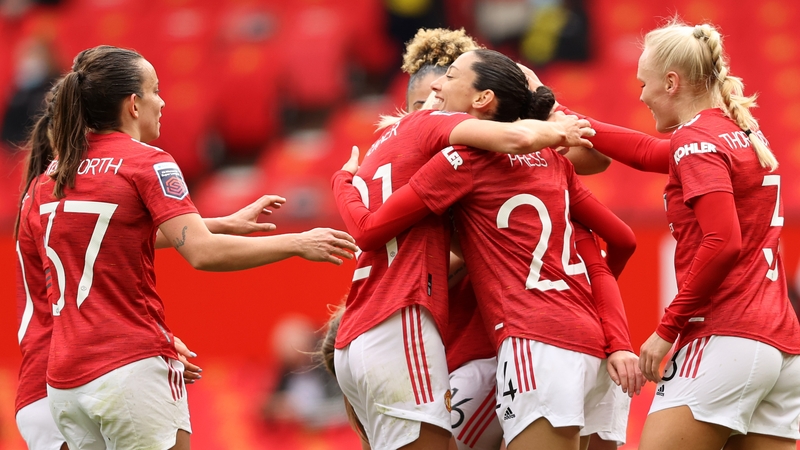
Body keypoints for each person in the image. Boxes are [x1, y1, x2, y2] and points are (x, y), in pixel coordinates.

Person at [36, 45, 358, 450]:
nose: (162, 100)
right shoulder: (146, 162)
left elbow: (110, 236)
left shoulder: (52, 175)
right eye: (155, 91)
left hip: (66, 379)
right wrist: (296, 242)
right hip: (127, 367)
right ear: (134, 105)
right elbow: (202, 253)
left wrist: (222, 223)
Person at [332, 48, 643, 450]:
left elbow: (371, 230)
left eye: (446, 84)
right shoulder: (553, 162)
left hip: (522, 345)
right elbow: (618, 236)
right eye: (423, 102)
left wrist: (342, 182)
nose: (433, 103)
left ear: (480, 99)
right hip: (591, 338)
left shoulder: (461, 162)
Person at [538, 18, 800, 450]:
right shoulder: (737, 132)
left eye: (645, 84)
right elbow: (647, 152)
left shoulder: (697, 142)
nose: (640, 95)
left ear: (672, 82)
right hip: (780, 345)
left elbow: (722, 242)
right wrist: (568, 120)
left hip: (726, 335)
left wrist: (666, 329)